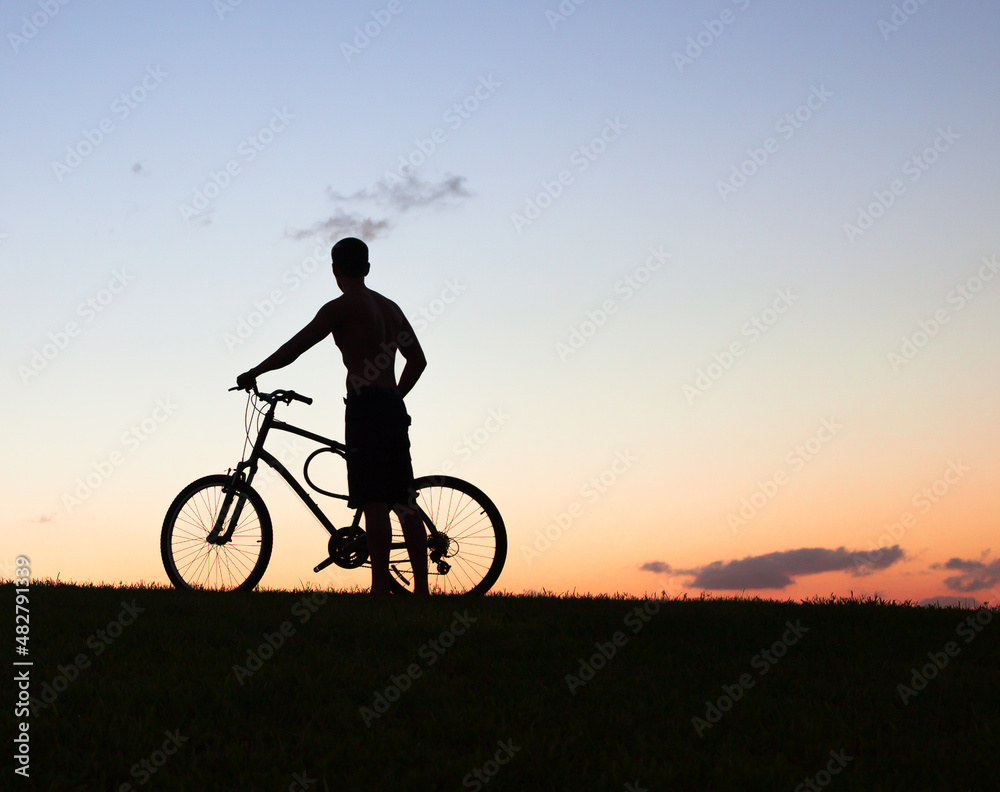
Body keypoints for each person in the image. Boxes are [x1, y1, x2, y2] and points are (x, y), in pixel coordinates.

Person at [235, 237, 429, 596]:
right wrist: (396, 397)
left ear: (335, 270)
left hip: (365, 406)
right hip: (390, 404)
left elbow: (295, 348)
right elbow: (417, 361)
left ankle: (380, 590)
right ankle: (421, 592)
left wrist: (255, 371)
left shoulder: (340, 307)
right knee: (403, 500)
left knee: (373, 499)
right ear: (367, 268)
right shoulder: (391, 309)